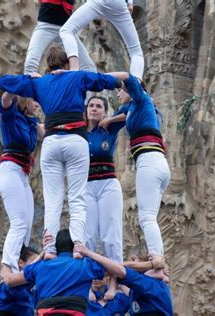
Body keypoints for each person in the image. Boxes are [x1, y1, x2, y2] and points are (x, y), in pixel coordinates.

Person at [0, 47, 122, 258]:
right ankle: (78, 245)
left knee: (53, 199)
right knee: (77, 197)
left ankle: (48, 248)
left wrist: (30, 77)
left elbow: (4, 81)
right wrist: (124, 81)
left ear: (49, 64)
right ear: (66, 64)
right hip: (75, 140)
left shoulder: (39, 83)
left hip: (51, 142)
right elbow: (105, 81)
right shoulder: (76, 76)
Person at [106, 72, 170, 263]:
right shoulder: (137, 107)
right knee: (151, 217)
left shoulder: (141, 99)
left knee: (146, 217)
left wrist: (110, 76)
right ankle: (158, 254)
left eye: (120, 90)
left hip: (148, 161)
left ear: (130, 91)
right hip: (157, 162)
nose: (118, 95)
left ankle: (157, 257)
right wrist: (109, 120)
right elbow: (125, 115)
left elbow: (131, 81)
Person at [0, 229, 125, 314]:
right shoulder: (84, 265)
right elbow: (119, 270)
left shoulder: (41, 266)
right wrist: (87, 252)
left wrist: (5, 264)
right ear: (74, 246)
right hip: (74, 312)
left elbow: (9, 280)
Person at [0, 93, 45, 273]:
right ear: (25, 99)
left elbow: (49, 133)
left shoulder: (31, 122)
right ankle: (8, 267)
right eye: (35, 99)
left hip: (22, 175)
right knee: (19, 223)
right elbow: (5, 99)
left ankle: (20, 262)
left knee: (26, 226)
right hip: (10, 170)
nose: (38, 104)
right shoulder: (11, 116)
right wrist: (21, 84)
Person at [85, 95, 126, 299]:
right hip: (87, 186)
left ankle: (114, 283)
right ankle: (88, 284)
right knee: (89, 235)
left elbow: (131, 110)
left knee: (111, 234)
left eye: (99, 106)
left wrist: (110, 120)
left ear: (104, 111)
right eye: (91, 105)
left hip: (108, 184)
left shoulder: (109, 128)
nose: (94, 109)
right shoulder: (79, 132)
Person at [75, 244, 173, 315]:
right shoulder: (141, 287)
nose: (133, 262)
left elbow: (121, 271)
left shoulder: (150, 284)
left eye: (135, 260)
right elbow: (125, 286)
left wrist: (88, 253)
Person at [59, 0, 144, 79]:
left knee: (66, 30)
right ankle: (137, 86)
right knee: (136, 51)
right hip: (118, 4)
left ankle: (74, 69)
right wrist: (130, 3)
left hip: (98, 2)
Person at [24, 0, 96, 74]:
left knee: (89, 68)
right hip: (45, 27)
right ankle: (29, 83)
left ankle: (79, 83)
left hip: (67, 30)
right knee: (30, 64)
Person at [0, 246, 40, 316]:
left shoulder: (31, 292)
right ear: (20, 263)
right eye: (35, 264)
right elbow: (13, 286)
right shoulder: (8, 286)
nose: (36, 268)